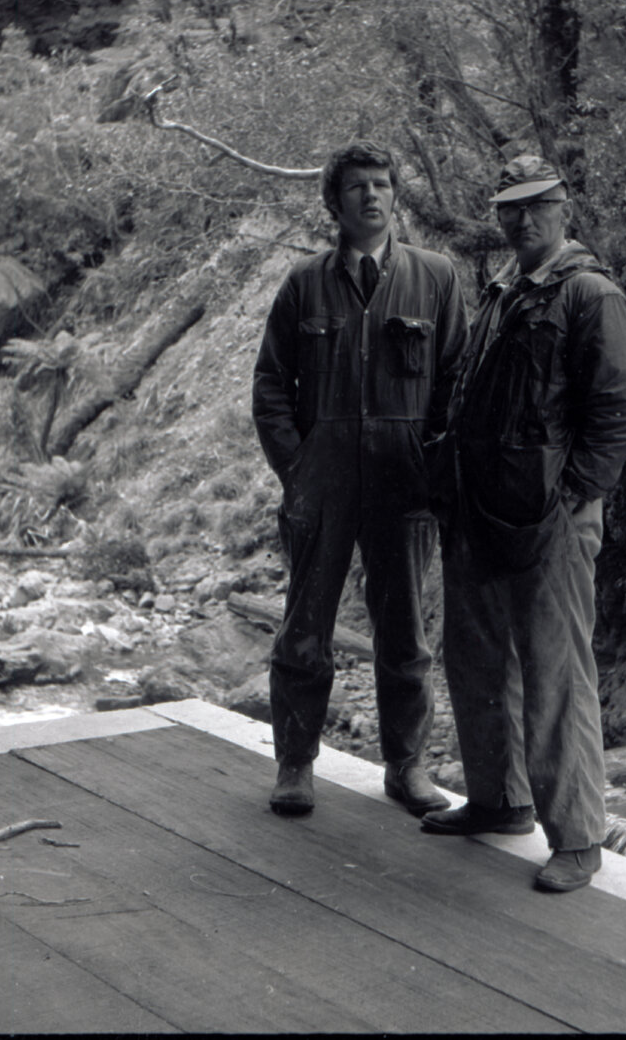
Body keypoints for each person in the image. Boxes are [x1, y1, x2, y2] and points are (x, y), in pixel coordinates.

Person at [421, 154, 626, 893]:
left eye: (537, 206)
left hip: (549, 518)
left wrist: (577, 492)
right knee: (477, 660)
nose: (522, 219)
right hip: (480, 510)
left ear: (563, 209)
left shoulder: (591, 295)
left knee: (556, 672)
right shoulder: (501, 291)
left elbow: (621, 410)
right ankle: (500, 799)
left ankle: (578, 839)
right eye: (510, 208)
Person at [253, 143, 468, 818]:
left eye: (381, 185)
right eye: (356, 187)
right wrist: (298, 467)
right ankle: (294, 767)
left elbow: (457, 384)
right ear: (334, 201)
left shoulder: (436, 278)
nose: (370, 196)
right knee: (304, 629)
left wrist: (435, 467)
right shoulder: (304, 283)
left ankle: (407, 769)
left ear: (395, 196)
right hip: (323, 484)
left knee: (404, 633)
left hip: (405, 483)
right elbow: (270, 386)